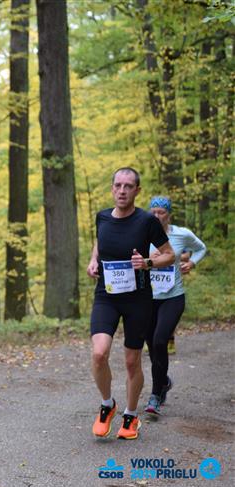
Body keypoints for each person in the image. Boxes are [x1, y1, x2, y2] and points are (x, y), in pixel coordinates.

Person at [86, 167, 175, 440]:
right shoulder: (102, 217)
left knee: (131, 361)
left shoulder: (147, 221)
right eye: (118, 185)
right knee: (99, 354)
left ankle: (131, 415)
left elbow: (169, 255)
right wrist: (93, 260)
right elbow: (100, 242)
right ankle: (107, 405)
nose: (122, 191)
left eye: (128, 186)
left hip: (138, 299)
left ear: (137, 190)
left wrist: (147, 262)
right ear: (112, 188)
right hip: (106, 296)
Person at [143, 196, 207, 415]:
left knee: (160, 340)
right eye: (153, 212)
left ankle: (155, 395)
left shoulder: (181, 234)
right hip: (147, 298)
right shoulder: (142, 233)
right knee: (151, 345)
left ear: (168, 215)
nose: (156, 216)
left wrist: (192, 262)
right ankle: (164, 381)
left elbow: (201, 248)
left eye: (161, 212)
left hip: (173, 297)